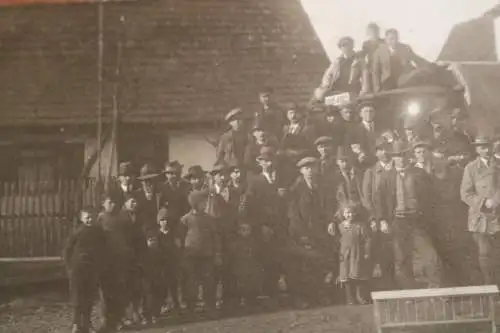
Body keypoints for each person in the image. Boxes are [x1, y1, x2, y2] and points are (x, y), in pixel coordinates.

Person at [376, 141, 440, 289]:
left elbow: (431, 197)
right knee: (401, 258)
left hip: (417, 221)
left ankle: (435, 289)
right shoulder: (387, 176)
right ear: (393, 158)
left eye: (404, 155)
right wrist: (383, 220)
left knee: (430, 255)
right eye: (398, 156)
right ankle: (408, 291)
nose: (401, 159)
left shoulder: (419, 174)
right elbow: (379, 200)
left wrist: (428, 217)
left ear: (408, 156)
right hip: (397, 222)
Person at [239, 146, 289, 304]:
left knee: (277, 258)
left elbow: (288, 201)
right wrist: (260, 225)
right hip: (263, 226)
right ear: (259, 163)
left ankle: (273, 290)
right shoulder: (254, 180)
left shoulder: (281, 178)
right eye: (264, 161)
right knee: (263, 258)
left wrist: (283, 196)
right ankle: (262, 292)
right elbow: (249, 204)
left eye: (270, 160)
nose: (268, 163)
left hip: (280, 225)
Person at [287, 156, 338, 308]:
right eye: (306, 168)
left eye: (312, 168)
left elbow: (329, 207)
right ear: (301, 171)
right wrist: (302, 234)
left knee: (321, 265)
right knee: (304, 266)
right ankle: (303, 297)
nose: (310, 171)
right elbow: (293, 214)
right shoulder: (295, 189)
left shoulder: (322, 187)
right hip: (303, 233)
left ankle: (320, 294)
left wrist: (331, 222)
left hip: (321, 232)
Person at [460, 136, 500, 285]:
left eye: (488, 146)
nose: (486, 150)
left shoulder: (498, 165)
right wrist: (483, 202)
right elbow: (465, 194)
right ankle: (489, 288)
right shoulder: (470, 168)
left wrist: (496, 200)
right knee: (484, 254)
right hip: (480, 217)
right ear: (477, 149)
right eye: (482, 147)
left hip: (498, 215)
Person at [178, 190, 222, 317]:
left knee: (209, 282)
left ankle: (210, 307)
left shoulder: (209, 219)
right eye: (203, 202)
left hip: (207, 256)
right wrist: (183, 254)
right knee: (191, 283)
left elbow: (216, 237)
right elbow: (179, 238)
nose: (205, 204)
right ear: (195, 204)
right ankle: (191, 308)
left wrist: (217, 254)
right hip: (191, 257)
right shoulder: (185, 220)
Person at [63, 206, 106, 333]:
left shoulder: (99, 233)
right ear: (82, 219)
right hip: (78, 270)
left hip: (92, 270)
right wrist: (69, 267)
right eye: (87, 218)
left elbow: (103, 249)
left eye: (92, 217)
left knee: (89, 297)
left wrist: (100, 265)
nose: (90, 220)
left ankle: (87, 324)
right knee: (77, 298)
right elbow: (67, 250)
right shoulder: (77, 232)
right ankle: (76, 324)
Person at [97, 192, 134, 333]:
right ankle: (105, 321)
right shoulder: (100, 219)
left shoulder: (121, 219)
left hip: (120, 260)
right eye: (109, 202)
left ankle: (119, 319)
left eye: (114, 202)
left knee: (119, 290)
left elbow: (126, 238)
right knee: (105, 293)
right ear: (103, 204)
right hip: (106, 261)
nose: (112, 205)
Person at [362, 138, 395, 288]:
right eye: (381, 149)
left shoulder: (397, 168)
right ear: (376, 153)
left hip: (396, 215)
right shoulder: (371, 172)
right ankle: (385, 283)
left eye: (387, 148)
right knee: (381, 251)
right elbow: (367, 198)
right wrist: (373, 218)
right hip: (378, 218)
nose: (385, 152)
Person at [330, 201, 372, 305]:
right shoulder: (340, 227)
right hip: (345, 254)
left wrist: (366, 251)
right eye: (347, 213)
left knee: (358, 274)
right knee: (346, 276)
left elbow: (367, 239)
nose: (350, 215)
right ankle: (349, 298)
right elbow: (337, 240)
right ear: (343, 214)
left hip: (357, 253)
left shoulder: (360, 226)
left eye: (352, 213)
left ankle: (360, 296)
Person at [314, 36, 363, 101]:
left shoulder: (359, 60)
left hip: (351, 90)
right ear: (340, 48)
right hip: (338, 90)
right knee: (319, 97)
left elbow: (364, 76)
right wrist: (326, 85)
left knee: (345, 100)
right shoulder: (337, 61)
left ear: (352, 46)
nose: (346, 48)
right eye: (343, 45)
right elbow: (328, 75)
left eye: (349, 45)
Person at [229, 221, 263, 308]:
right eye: (243, 230)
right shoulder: (236, 243)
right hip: (241, 267)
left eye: (248, 230)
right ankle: (242, 300)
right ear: (239, 231)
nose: (246, 232)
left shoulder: (253, 242)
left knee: (253, 283)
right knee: (242, 284)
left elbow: (257, 252)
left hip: (251, 266)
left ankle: (252, 300)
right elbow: (234, 253)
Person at [161, 161, 191, 235]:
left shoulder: (187, 185)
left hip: (185, 223)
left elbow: (191, 204)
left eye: (177, 173)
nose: (174, 175)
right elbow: (160, 207)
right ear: (166, 174)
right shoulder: (161, 188)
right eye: (170, 173)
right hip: (168, 224)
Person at [360, 22, 384, 94]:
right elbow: (363, 54)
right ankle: (367, 90)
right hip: (372, 64)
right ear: (368, 33)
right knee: (367, 71)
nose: (374, 33)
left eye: (375, 31)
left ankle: (377, 90)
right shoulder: (366, 44)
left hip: (382, 64)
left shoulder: (383, 42)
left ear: (378, 32)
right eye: (371, 32)